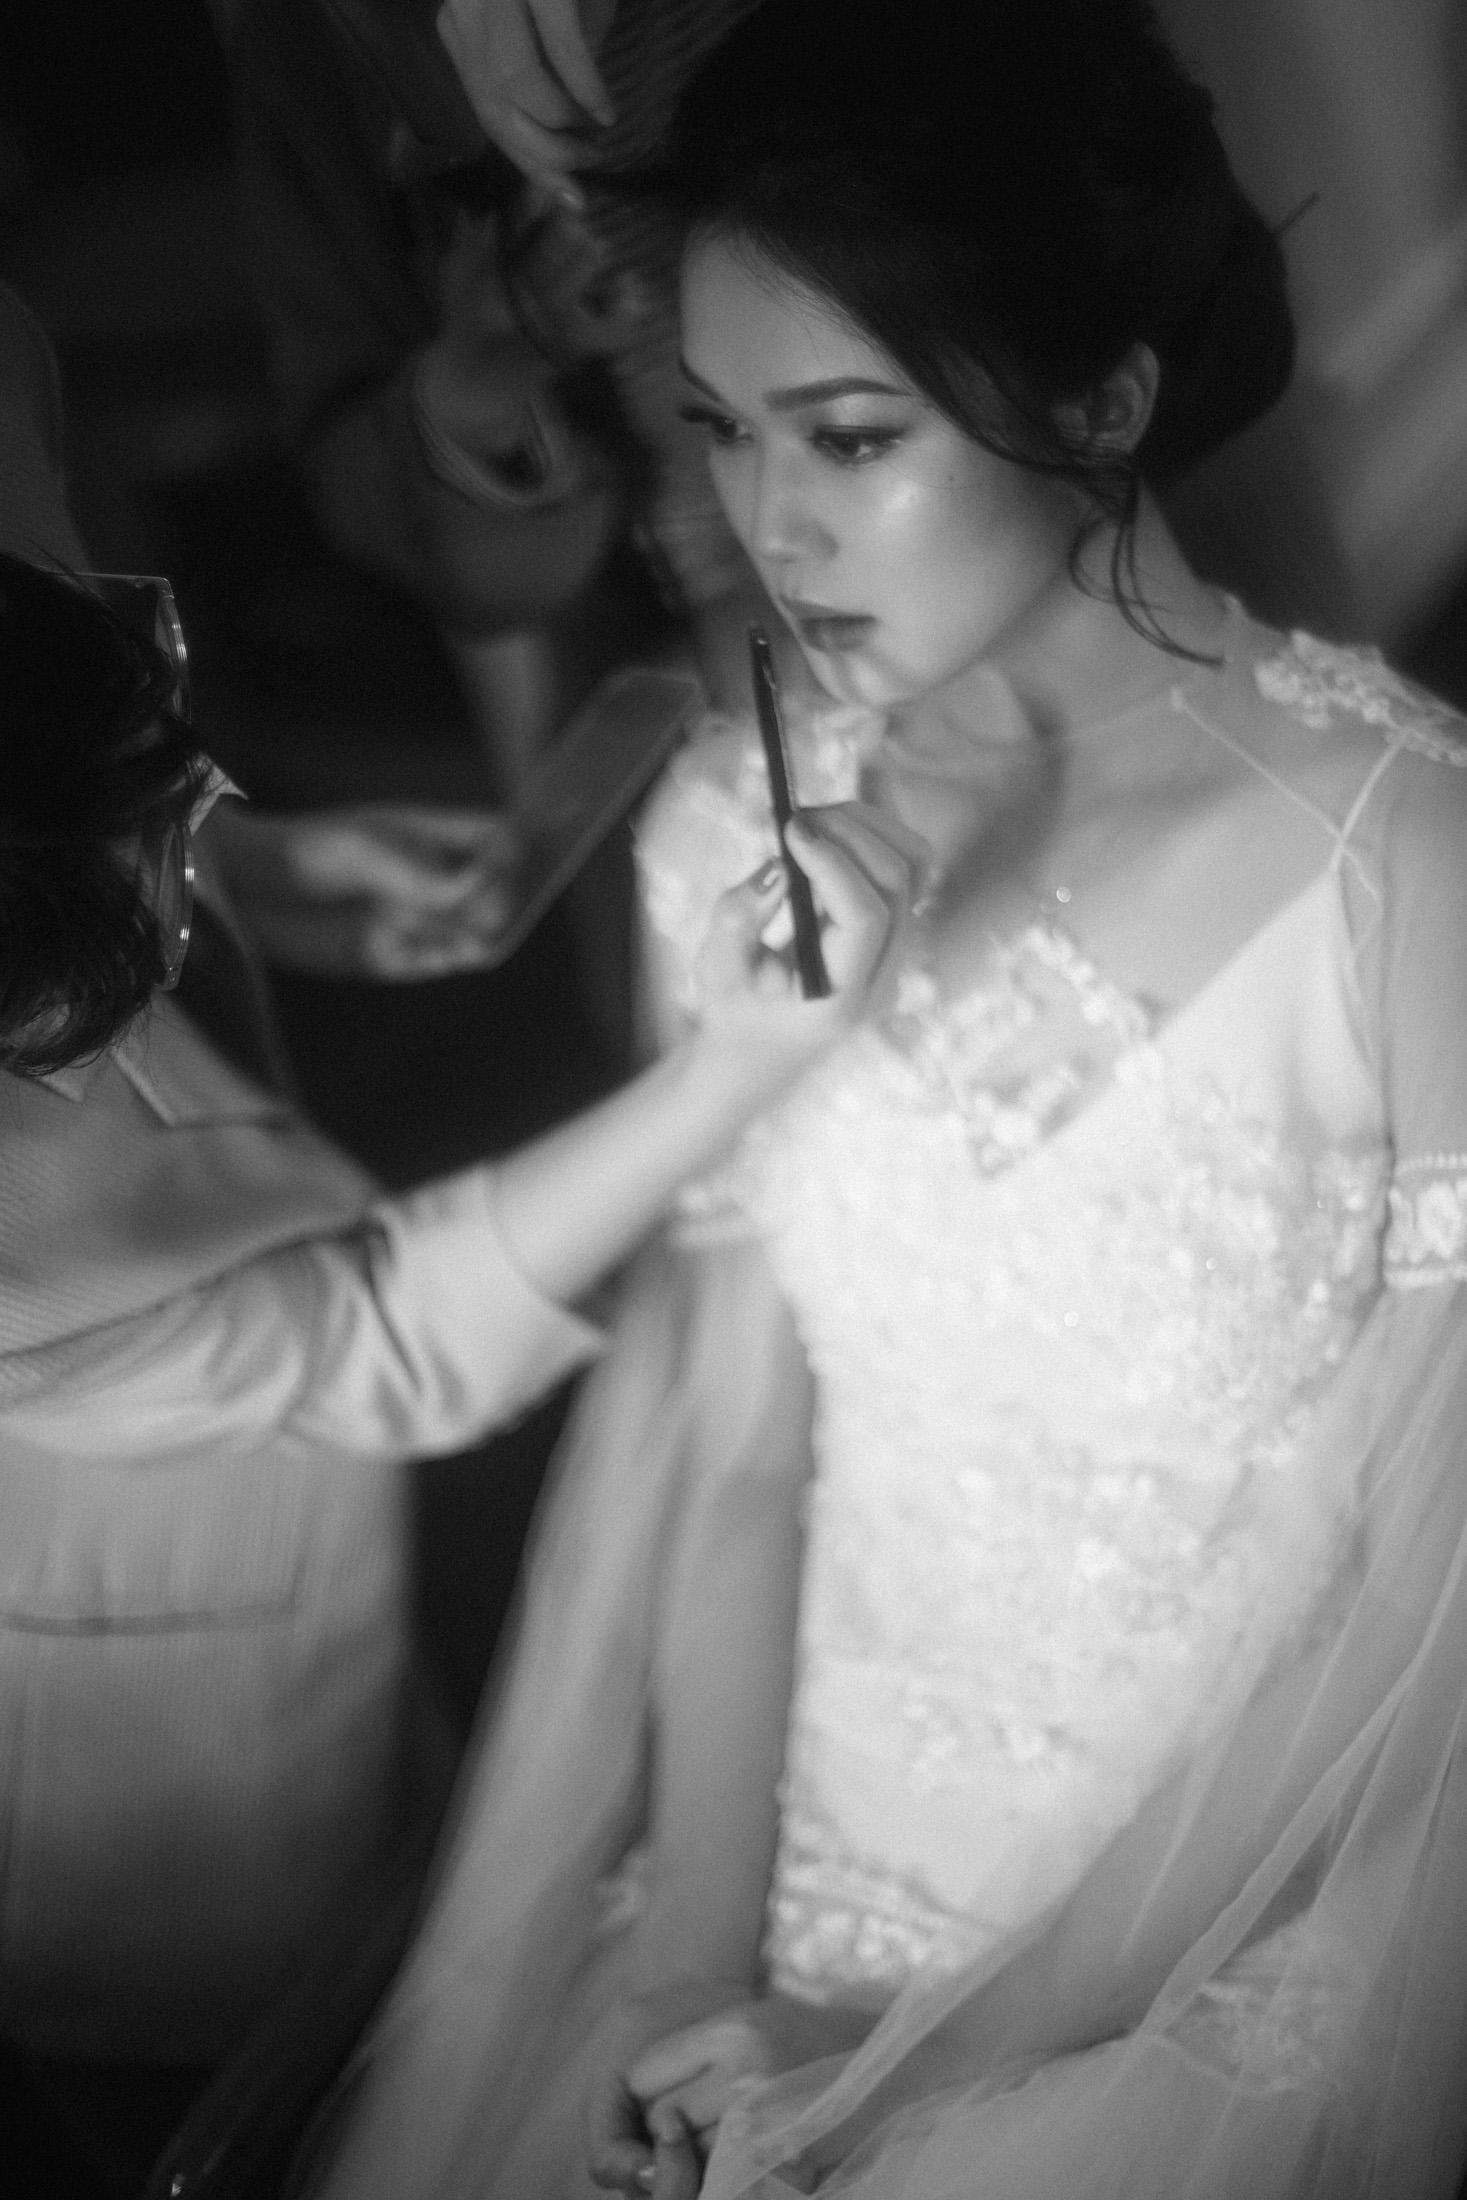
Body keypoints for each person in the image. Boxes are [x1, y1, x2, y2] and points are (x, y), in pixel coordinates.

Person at [296, 2, 1467, 2195]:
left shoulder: (1403, 860)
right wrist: (689, 1985)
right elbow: (741, 1455)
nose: (766, 522)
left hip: (1197, 1925)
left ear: (1099, 400)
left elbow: (1428, 1605)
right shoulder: (734, 825)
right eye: (723, 431)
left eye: (847, 436)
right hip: (779, 1865)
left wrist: (907, 2060)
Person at [0, 271, 916, 2075]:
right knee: (259, 2056)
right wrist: (740, 1070)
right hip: (139, 1670)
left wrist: (239, 872)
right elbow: (381, 1333)